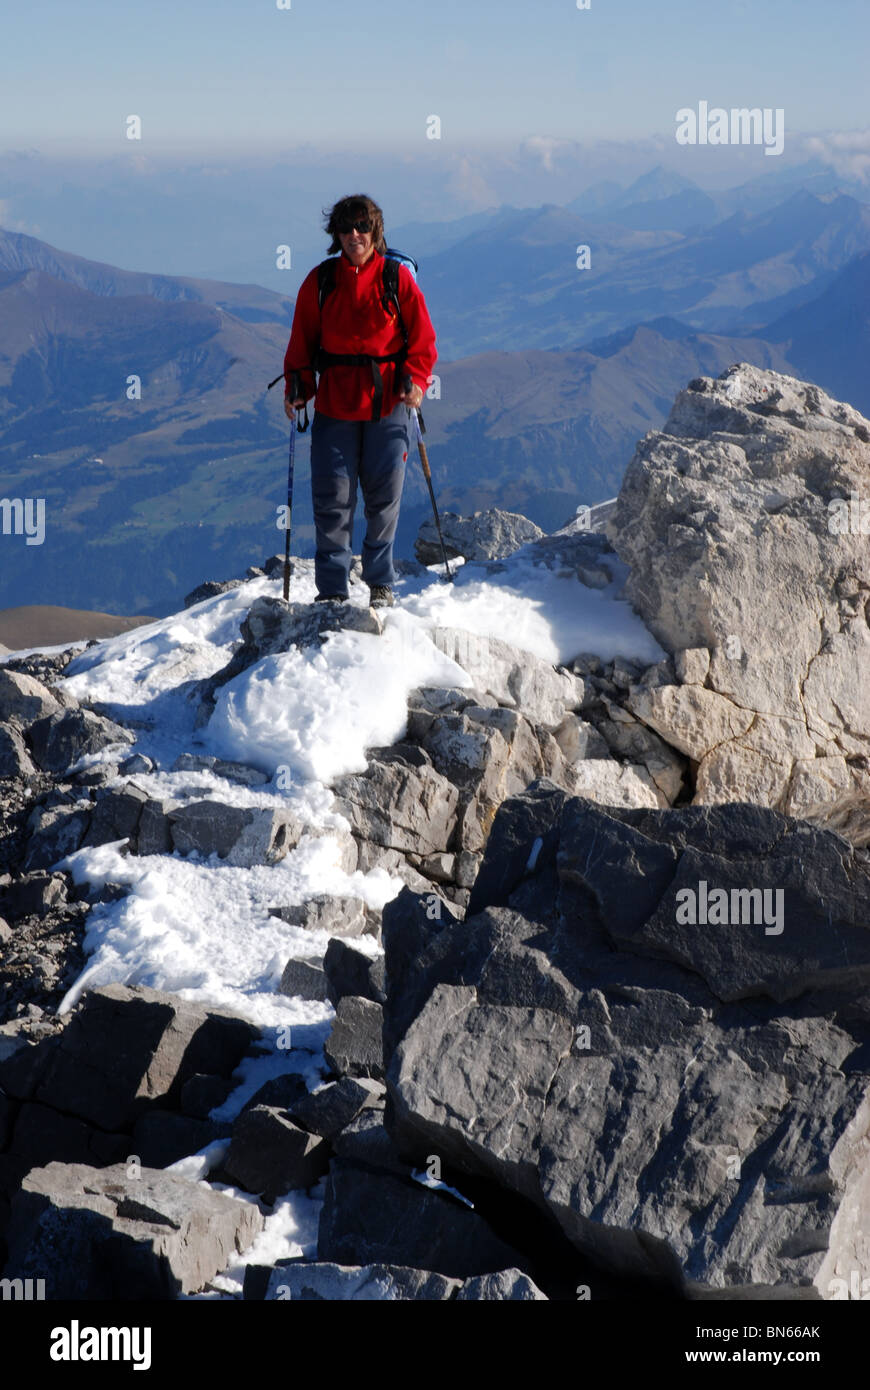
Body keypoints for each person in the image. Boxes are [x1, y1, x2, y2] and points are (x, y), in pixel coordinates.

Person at [283, 194, 437, 608]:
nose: (355, 235)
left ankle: (380, 583)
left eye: (362, 227)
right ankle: (332, 590)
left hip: (390, 402)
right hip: (336, 402)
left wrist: (417, 380)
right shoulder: (321, 282)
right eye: (347, 228)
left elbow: (422, 341)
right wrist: (297, 388)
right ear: (336, 234)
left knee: (383, 496)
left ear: (376, 233)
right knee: (333, 497)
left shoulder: (395, 279)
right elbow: (301, 343)